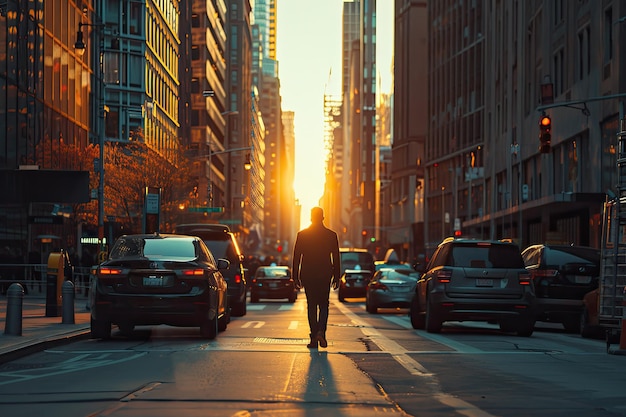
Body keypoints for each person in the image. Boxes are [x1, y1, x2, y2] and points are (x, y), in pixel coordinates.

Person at [292, 207, 341, 349]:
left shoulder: (303, 235)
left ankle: (313, 337)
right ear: (323, 218)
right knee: (324, 305)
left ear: (311, 218)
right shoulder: (331, 235)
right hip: (325, 274)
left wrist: (295, 277)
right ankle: (321, 332)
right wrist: (336, 277)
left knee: (311, 305)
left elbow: (296, 258)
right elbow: (336, 258)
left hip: (308, 274)